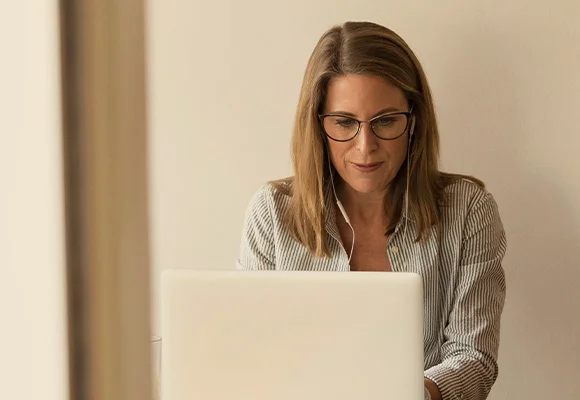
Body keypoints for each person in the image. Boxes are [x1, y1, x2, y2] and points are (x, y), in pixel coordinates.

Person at [237, 21, 507, 400]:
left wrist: (416, 393)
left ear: (413, 120)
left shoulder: (468, 211)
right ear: (317, 125)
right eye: (345, 122)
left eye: (385, 122)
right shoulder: (272, 214)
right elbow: (249, 352)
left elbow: (474, 358)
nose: (366, 147)